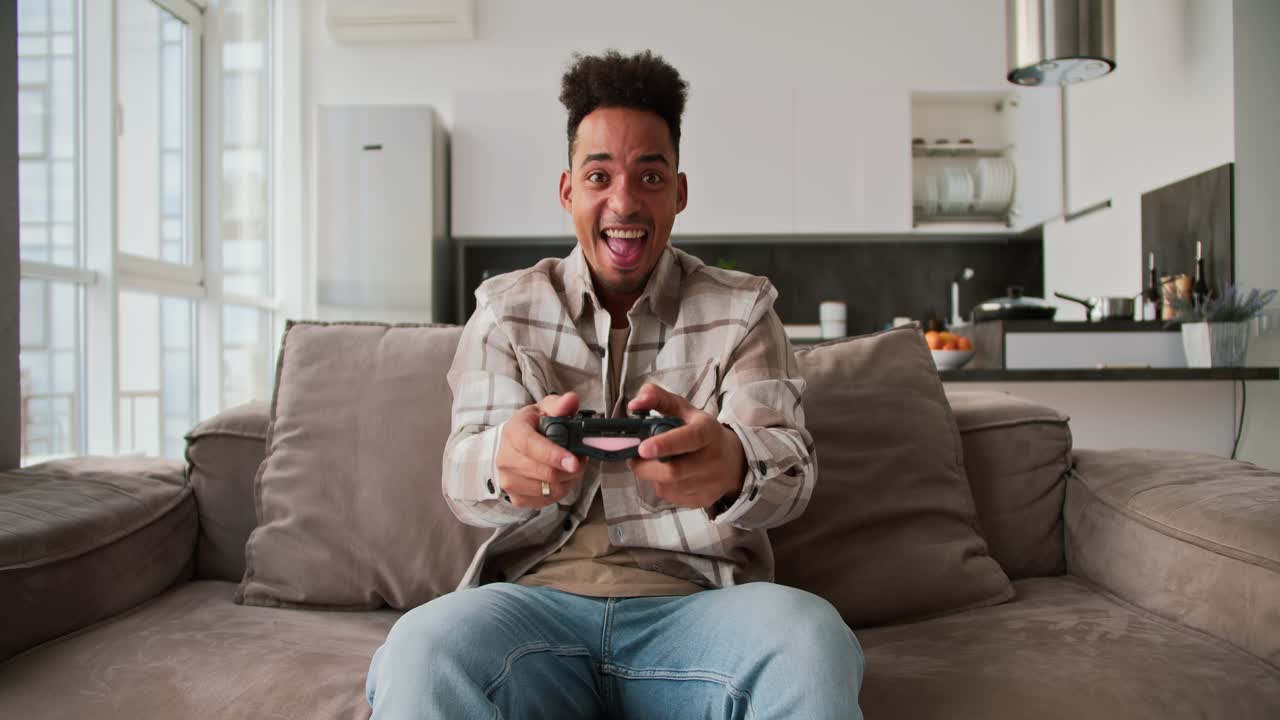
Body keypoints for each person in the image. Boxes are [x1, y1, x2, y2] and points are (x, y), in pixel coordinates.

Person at [366, 49, 864, 719]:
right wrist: (503, 464)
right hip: (531, 614)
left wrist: (732, 464)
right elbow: (462, 478)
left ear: (679, 192)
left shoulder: (744, 310)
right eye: (599, 175)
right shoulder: (505, 309)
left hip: (702, 611)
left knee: (811, 640)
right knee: (419, 651)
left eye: (649, 176)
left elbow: (794, 474)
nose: (623, 202)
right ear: (569, 190)